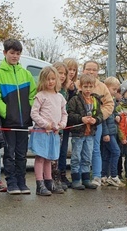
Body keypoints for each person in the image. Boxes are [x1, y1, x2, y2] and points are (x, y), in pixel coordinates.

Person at [0, 39, 36, 195]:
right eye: (12, 53)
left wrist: (28, 111)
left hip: (24, 121)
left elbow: (33, 94)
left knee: (21, 153)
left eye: (17, 54)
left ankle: (22, 182)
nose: (15, 56)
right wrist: (7, 113)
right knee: (9, 153)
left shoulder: (26, 74)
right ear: (5, 53)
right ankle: (11, 183)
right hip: (9, 122)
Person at [29, 66, 68, 195]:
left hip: (54, 133)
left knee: (49, 158)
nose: (50, 82)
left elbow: (64, 113)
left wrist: (62, 124)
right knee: (41, 157)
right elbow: (34, 114)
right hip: (42, 133)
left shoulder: (60, 97)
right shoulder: (40, 96)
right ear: (42, 81)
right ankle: (40, 184)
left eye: (53, 79)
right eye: (47, 79)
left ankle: (49, 182)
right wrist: (45, 124)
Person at [76, 61, 114, 187]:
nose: (91, 72)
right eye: (88, 69)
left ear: (98, 72)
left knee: (95, 149)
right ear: (83, 70)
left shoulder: (102, 87)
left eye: (94, 70)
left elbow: (109, 104)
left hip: (95, 124)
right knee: (79, 150)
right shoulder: (77, 84)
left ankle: (96, 176)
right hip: (80, 124)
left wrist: (97, 117)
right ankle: (79, 176)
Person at [67, 74, 103, 190]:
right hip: (78, 133)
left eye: (90, 87)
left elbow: (100, 115)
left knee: (87, 157)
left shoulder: (96, 100)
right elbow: (70, 114)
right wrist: (81, 119)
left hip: (90, 133)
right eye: (85, 87)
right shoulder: (75, 100)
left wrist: (95, 120)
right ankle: (76, 179)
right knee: (76, 156)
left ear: (94, 87)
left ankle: (86, 178)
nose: (88, 89)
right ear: (81, 86)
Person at [58, 57, 79, 188]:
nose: (71, 72)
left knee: (64, 150)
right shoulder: (58, 86)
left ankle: (62, 174)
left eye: (73, 70)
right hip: (57, 122)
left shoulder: (72, 87)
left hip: (66, 123)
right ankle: (56, 175)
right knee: (58, 150)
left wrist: (72, 91)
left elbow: (71, 104)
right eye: (68, 69)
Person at [50, 61, 70, 192]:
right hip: (50, 127)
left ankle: (57, 178)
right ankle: (50, 178)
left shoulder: (64, 91)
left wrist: (62, 123)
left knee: (59, 153)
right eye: (59, 73)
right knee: (51, 155)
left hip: (61, 128)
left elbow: (64, 111)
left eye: (64, 73)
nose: (62, 76)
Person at [101, 77, 123, 187]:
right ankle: (114, 176)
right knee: (116, 152)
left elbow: (113, 113)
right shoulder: (103, 100)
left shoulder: (112, 100)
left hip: (113, 130)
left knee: (107, 154)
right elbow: (103, 119)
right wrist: (105, 133)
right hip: (108, 132)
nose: (115, 92)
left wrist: (117, 116)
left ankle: (104, 175)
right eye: (114, 89)